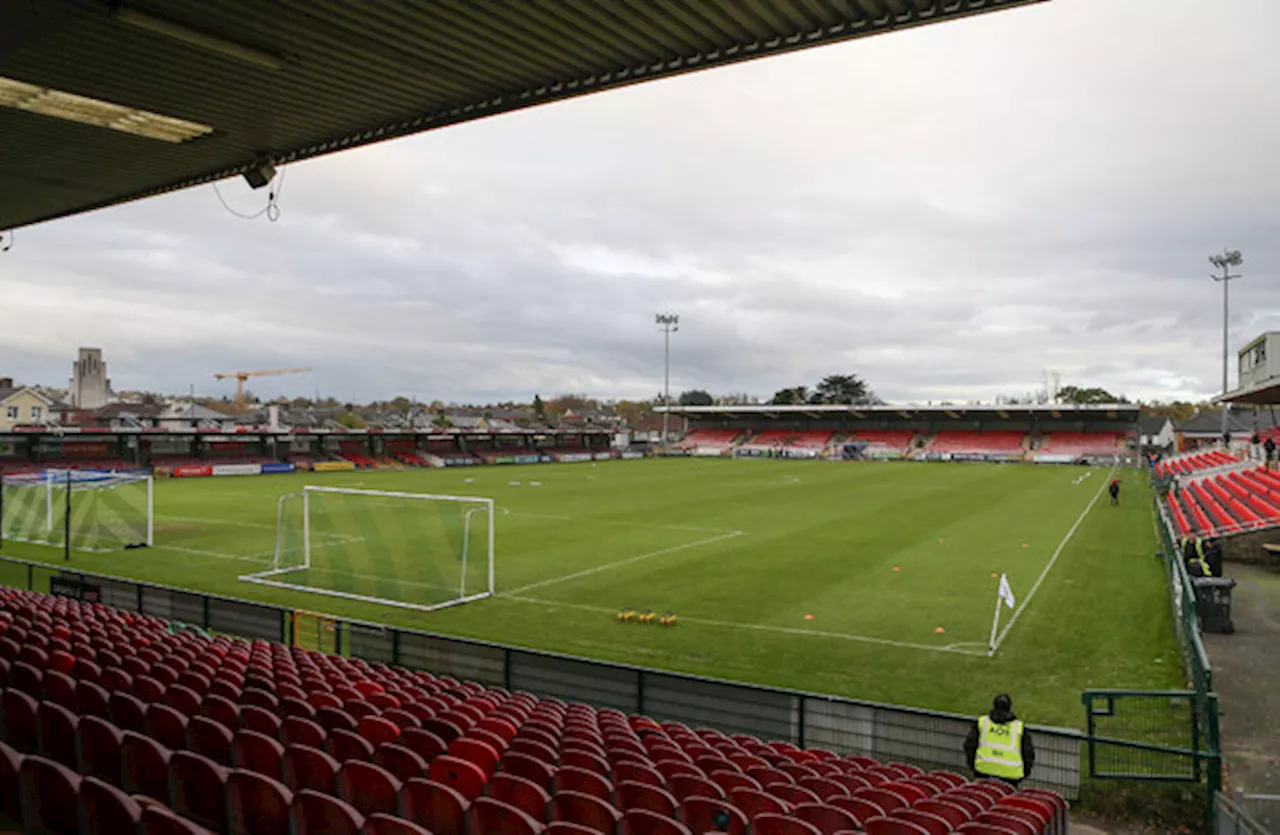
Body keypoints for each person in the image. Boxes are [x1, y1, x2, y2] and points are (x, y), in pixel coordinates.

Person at [964, 693, 1035, 786]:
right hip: (1011, 777)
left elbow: (969, 746)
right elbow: (1028, 753)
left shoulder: (982, 723)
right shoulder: (1019, 728)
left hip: (983, 771)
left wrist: (973, 766)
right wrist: (1023, 773)